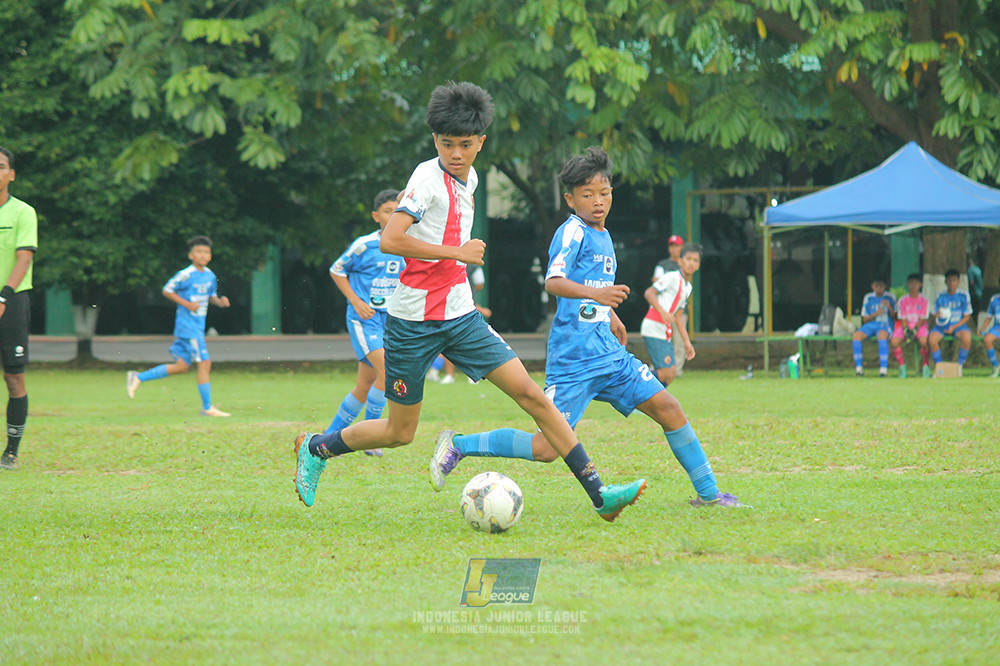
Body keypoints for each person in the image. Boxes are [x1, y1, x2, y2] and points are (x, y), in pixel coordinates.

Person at [292, 82, 646, 522]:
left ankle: (601, 496)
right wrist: (457, 254)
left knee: (535, 397)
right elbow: (391, 239)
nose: (455, 153)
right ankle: (315, 447)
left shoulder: (471, 175)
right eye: (445, 144)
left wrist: (461, 281)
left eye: (464, 144)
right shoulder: (426, 181)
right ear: (434, 140)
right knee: (399, 432)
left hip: (460, 317)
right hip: (411, 323)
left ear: (481, 141)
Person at [430, 147, 743, 508]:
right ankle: (460, 445)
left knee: (670, 409)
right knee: (546, 448)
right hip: (573, 361)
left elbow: (592, 287)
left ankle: (709, 496)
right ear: (570, 198)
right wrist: (600, 294)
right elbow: (555, 281)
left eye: (604, 193)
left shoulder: (604, 235)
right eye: (588, 194)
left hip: (609, 356)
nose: (598, 202)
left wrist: (611, 316)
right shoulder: (571, 232)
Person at [324, 189, 403, 456]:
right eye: (387, 211)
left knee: (364, 384)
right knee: (388, 372)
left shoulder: (407, 245)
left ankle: (327, 438)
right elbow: (336, 270)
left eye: (398, 211)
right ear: (376, 216)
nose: (393, 216)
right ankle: (371, 436)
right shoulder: (365, 245)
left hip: (389, 323)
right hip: (364, 320)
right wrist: (356, 301)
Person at [126, 236, 232, 415]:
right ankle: (207, 408)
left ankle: (138, 377)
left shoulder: (210, 275)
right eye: (199, 251)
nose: (203, 254)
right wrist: (187, 304)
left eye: (206, 252)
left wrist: (220, 302)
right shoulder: (185, 274)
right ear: (191, 255)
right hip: (188, 326)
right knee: (205, 363)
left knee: (182, 366)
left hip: (196, 326)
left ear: (210, 255)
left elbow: (210, 296)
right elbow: (167, 290)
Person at [0, 147, 37, 471]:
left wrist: (3, 297)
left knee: (14, 379)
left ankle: (11, 451)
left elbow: (24, 258)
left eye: (0, 167)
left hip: (11, 303)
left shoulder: (23, 212)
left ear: (11, 174)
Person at [641, 243, 701, 387]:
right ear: (680, 261)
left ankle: (649, 403)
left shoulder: (688, 287)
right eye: (688, 259)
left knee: (670, 373)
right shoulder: (672, 277)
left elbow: (679, 316)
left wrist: (687, 342)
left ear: (698, 265)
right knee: (666, 372)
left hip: (664, 330)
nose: (691, 263)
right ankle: (632, 385)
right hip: (654, 325)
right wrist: (663, 312)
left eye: (695, 260)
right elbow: (649, 293)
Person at [439, 264, 491, 384]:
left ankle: (469, 375)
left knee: (470, 342)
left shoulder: (471, 264)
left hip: (463, 307)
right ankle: (450, 375)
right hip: (451, 307)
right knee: (449, 343)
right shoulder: (472, 264)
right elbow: (480, 284)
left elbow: (479, 283)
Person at [652, 235, 688, 376]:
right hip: (664, 308)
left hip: (678, 309)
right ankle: (659, 367)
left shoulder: (684, 264)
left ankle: (677, 369)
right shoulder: (663, 264)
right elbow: (656, 281)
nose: (674, 249)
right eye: (672, 246)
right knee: (661, 339)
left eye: (677, 246)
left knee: (679, 340)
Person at [928, 268, 973, 375]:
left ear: (958, 281)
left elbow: (967, 316)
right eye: (949, 280)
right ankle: (939, 368)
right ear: (945, 282)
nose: (951, 283)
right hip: (942, 325)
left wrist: (954, 327)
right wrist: (937, 315)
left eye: (954, 280)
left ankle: (959, 366)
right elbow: (934, 313)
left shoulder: (964, 295)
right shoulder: (940, 296)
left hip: (958, 326)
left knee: (967, 338)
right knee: (932, 339)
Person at [852, 277, 897, 377]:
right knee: (856, 336)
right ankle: (859, 369)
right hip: (871, 324)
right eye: (876, 286)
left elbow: (895, 317)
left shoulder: (890, 297)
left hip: (884, 325)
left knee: (881, 336)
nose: (879, 288)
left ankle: (883, 370)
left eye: (881, 286)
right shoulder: (868, 297)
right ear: (872, 286)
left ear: (885, 286)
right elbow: (864, 319)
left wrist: (889, 307)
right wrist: (875, 314)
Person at [889, 273, 931, 379]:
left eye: (916, 283)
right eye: (911, 283)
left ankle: (926, 366)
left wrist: (915, 329)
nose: (913, 285)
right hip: (906, 325)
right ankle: (902, 366)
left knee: (924, 342)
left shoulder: (924, 300)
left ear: (920, 285)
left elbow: (922, 318)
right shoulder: (903, 300)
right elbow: (902, 317)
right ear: (907, 284)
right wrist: (907, 329)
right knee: (894, 342)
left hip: (919, 326)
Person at [980, 291, 1000, 378]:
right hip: (997, 327)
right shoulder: (995, 299)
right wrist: (981, 330)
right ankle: (996, 365)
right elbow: (989, 317)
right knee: (987, 340)